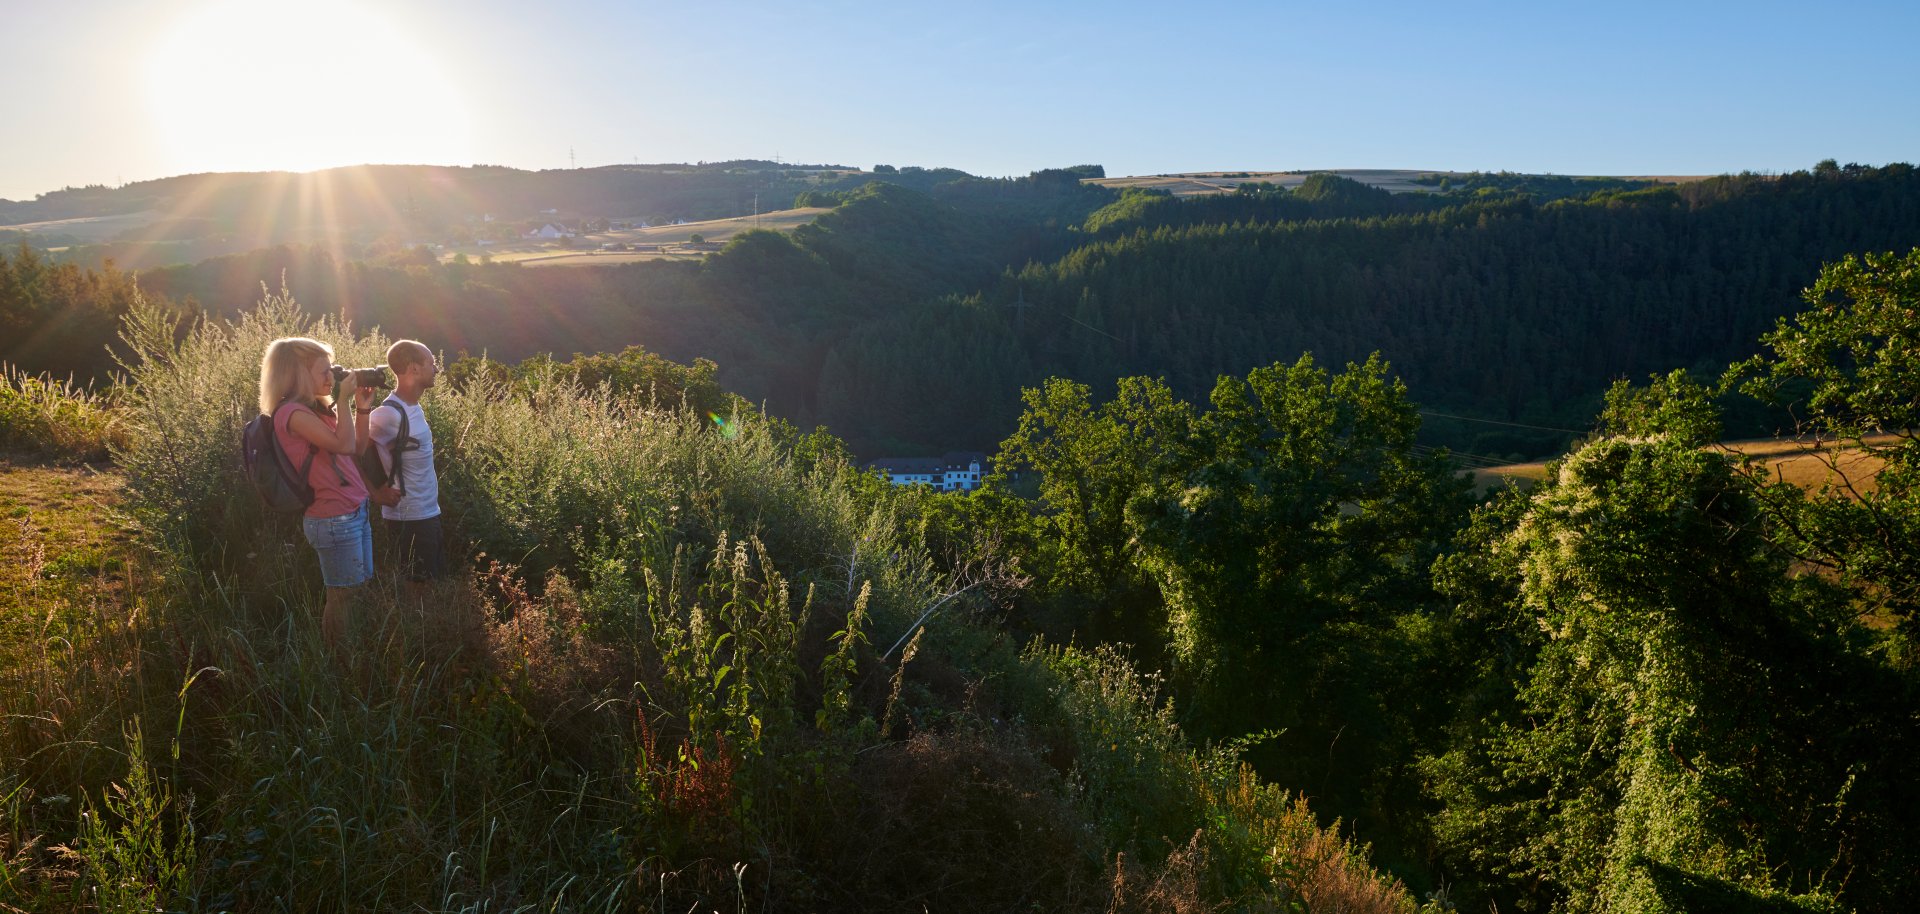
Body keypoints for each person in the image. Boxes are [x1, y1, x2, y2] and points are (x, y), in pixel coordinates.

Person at [260, 337, 374, 654]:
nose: (331, 377)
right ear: (297, 374)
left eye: (331, 370)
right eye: (324, 371)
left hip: (355, 510)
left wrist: (361, 408)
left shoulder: (319, 409)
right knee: (342, 597)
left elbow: (358, 448)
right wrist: (345, 400)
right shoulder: (291, 414)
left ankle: (353, 656)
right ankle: (339, 665)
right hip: (333, 517)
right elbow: (342, 446)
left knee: (357, 591)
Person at [367, 339, 445, 586]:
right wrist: (376, 492)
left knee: (433, 587)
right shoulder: (387, 414)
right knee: (419, 591)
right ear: (414, 369)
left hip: (427, 513)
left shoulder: (413, 407)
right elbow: (351, 451)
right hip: (408, 519)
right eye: (431, 363)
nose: (436, 369)